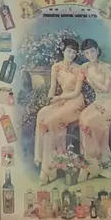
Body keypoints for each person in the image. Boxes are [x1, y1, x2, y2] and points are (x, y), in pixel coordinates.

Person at [33, 38, 87, 184]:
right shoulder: (56, 67)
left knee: (52, 120)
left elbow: (76, 92)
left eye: (74, 52)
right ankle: (46, 162)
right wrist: (50, 99)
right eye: (69, 51)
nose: (71, 55)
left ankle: (48, 170)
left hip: (75, 103)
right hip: (62, 101)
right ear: (63, 50)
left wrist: (58, 98)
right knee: (42, 114)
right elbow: (53, 87)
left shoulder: (79, 69)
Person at [77, 38, 111, 180]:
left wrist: (90, 79)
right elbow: (74, 80)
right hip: (98, 102)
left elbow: (105, 89)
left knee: (91, 121)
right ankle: (90, 165)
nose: (90, 55)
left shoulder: (107, 67)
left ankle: (104, 165)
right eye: (86, 53)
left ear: (97, 50)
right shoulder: (84, 67)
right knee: (83, 119)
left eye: (92, 51)